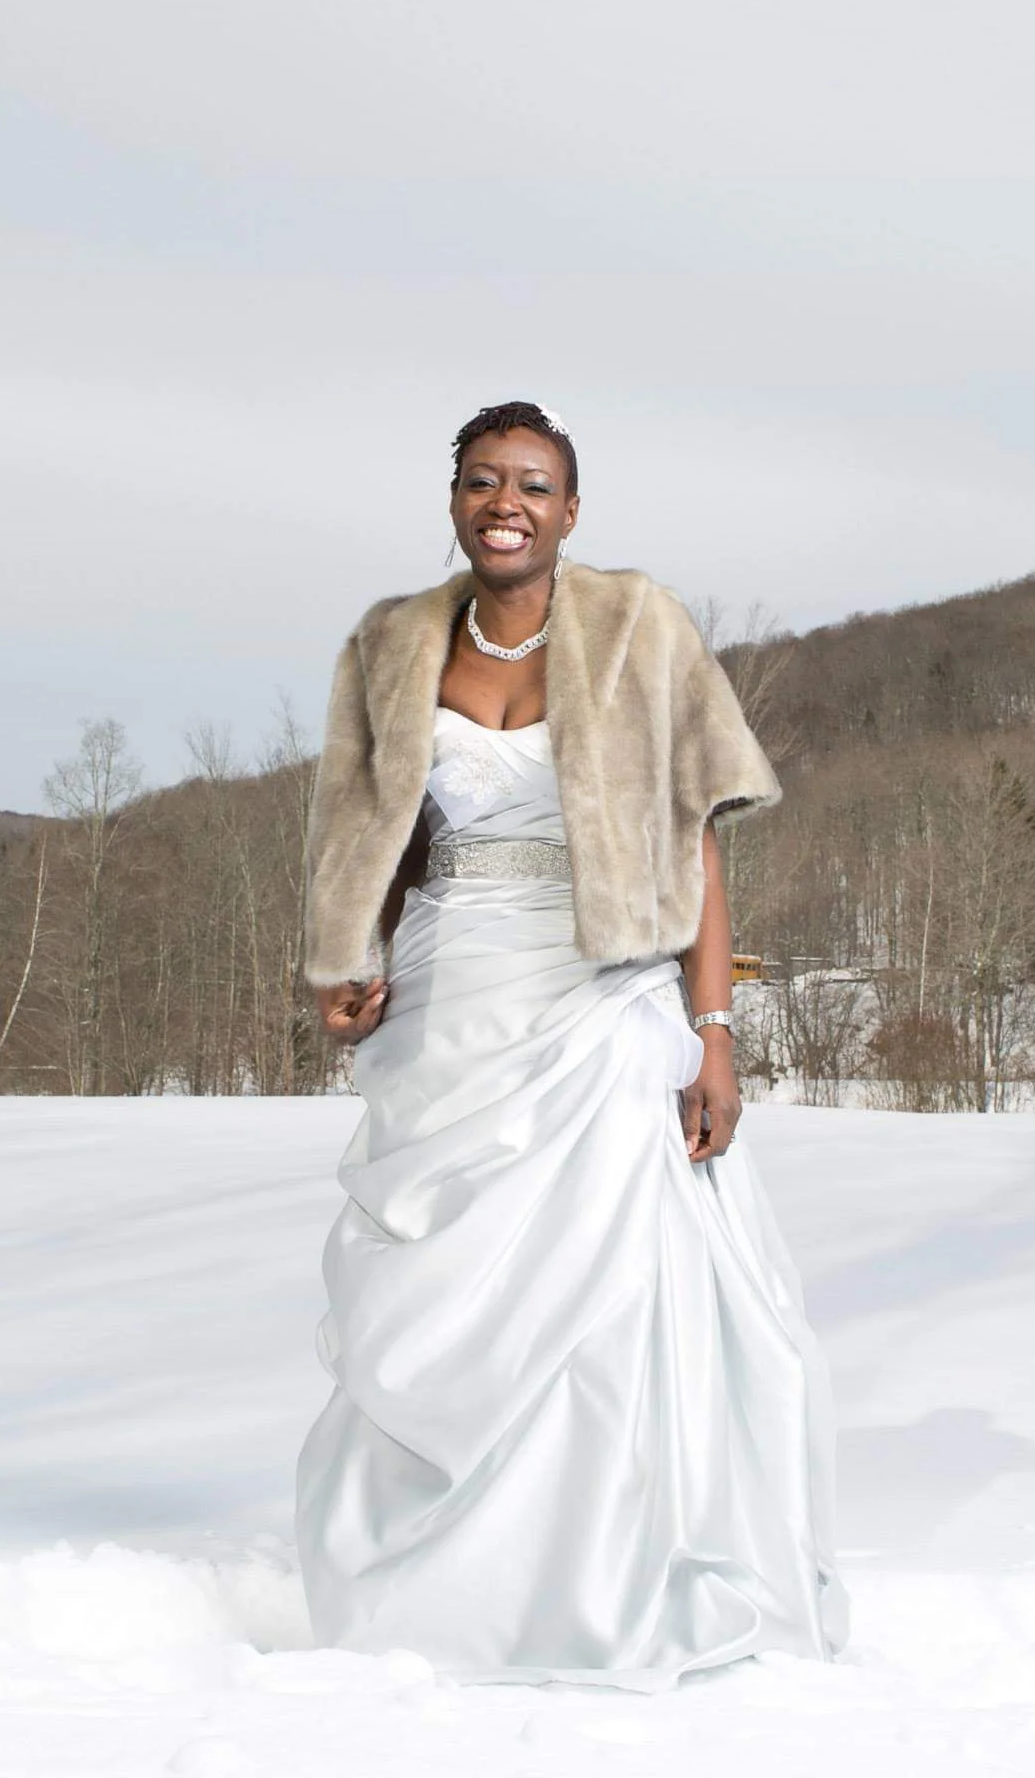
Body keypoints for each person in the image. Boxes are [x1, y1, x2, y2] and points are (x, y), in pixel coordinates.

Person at [295, 402, 847, 1687]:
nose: (508, 501)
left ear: (571, 507)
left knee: (607, 1282)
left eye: (534, 484)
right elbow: (363, 829)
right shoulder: (387, 642)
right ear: (453, 498)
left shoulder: (638, 624)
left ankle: (606, 1580)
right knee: (438, 1285)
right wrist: (345, 963)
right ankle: (432, 1593)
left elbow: (699, 836)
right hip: (444, 984)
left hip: (599, 983)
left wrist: (712, 1035)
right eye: (484, 480)